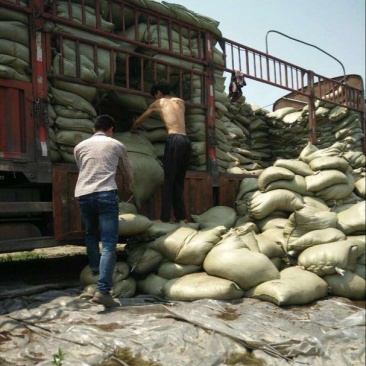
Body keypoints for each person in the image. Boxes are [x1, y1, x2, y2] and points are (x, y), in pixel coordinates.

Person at [74, 114, 133, 308]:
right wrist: (130, 188)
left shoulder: (79, 147)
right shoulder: (116, 145)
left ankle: (94, 268)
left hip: (83, 194)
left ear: (94, 129)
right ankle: (103, 290)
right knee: (108, 243)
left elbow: (82, 168)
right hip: (106, 194)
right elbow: (127, 172)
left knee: (91, 234)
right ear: (111, 129)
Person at [131, 79, 192, 223]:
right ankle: (181, 216)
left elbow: (140, 120)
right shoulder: (180, 101)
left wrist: (132, 128)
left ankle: (164, 218)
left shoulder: (158, 103)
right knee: (178, 181)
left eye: (155, 95)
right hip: (186, 141)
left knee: (169, 180)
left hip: (174, 140)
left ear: (158, 93)